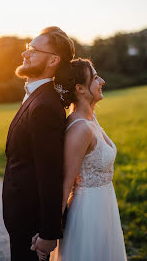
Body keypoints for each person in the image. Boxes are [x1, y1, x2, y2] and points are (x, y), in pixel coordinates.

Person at [2, 26, 75, 261]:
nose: (25, 54)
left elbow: (50, 173)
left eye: (33, 50)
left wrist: (48, 232)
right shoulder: (36, 96)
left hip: (31, 224)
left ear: (53, 60)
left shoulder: (45, 105)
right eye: (27, 48)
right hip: (21, 216)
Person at [48, 58, 127, 261]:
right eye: (95, 77)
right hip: (88, 214)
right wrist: (49, 233)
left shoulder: (92, 119)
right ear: (80, 88)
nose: (101, 80)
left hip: (104, 205)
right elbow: (65, 184)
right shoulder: (80, 128)